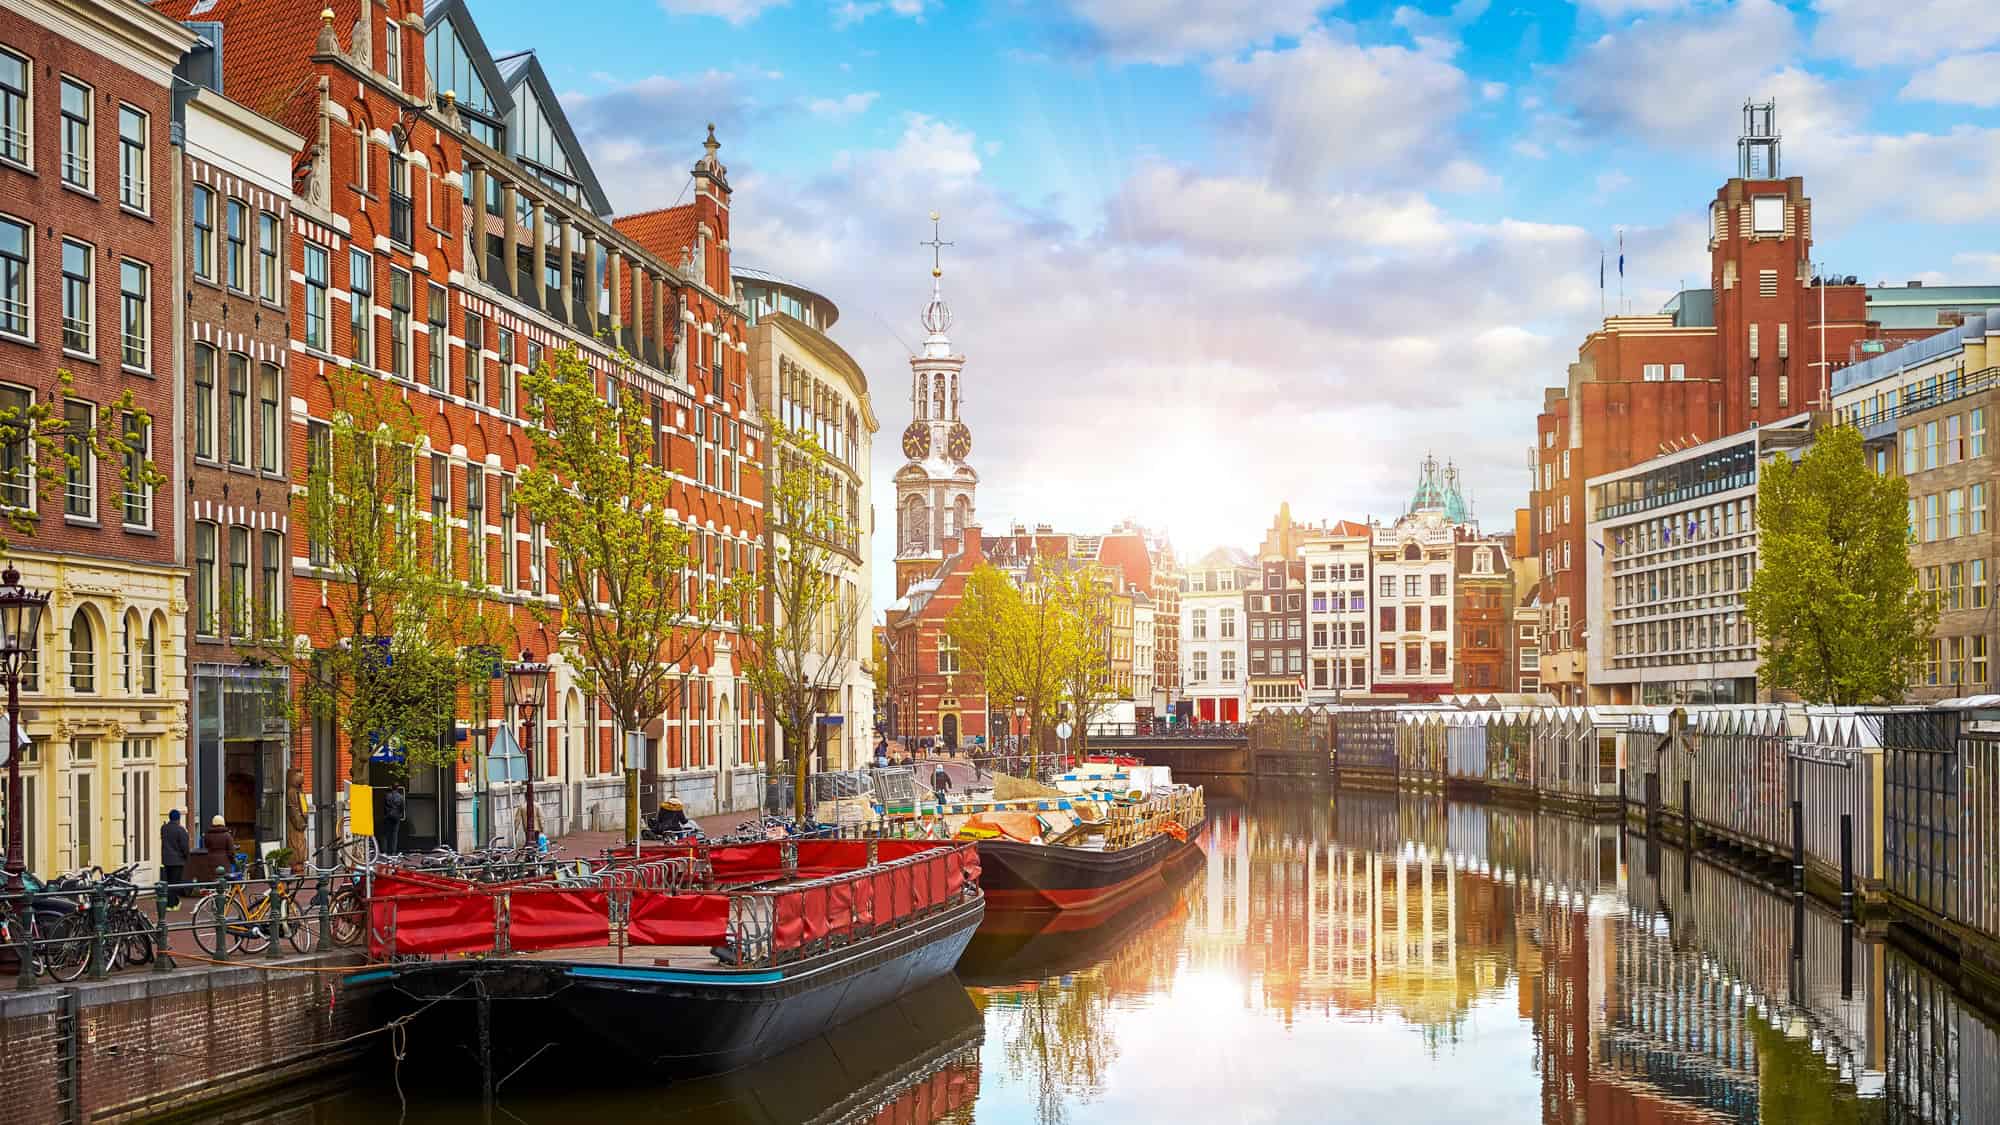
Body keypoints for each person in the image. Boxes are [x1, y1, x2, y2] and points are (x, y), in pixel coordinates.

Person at [160, 810, 189, 906]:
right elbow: (184, 846)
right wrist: (186, 857)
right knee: (175, 883)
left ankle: (168, 902)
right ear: (179, 818)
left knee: (168, 882)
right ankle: (172, 904)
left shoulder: (164, 828)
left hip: (166, 860)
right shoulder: (181, 830)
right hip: (177, 861)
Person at [381, 784, 407, 854]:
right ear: (398, 788)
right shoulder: (401, 797)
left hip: (388, 816)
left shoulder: (387, 795)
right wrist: (400, 814)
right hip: (396, 816)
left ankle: (384, 851)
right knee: (394, 834)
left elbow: (384, 806)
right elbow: (403, 807)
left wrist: (386, 813)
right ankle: (393, 851)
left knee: (385, 834)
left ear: (391, 787)